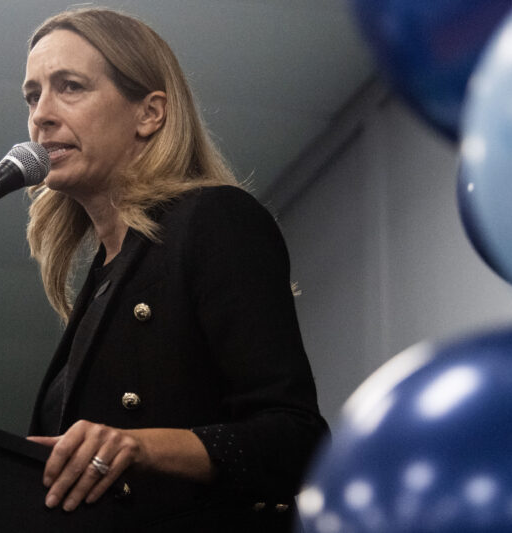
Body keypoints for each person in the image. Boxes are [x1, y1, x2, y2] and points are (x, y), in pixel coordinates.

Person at [21, 7, 327, 531]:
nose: (41, 115)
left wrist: (138, 445)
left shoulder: (214, 219)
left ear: (150, 113)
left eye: (69, 86)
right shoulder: (103, 273)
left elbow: (296, 439)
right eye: (33, 94)